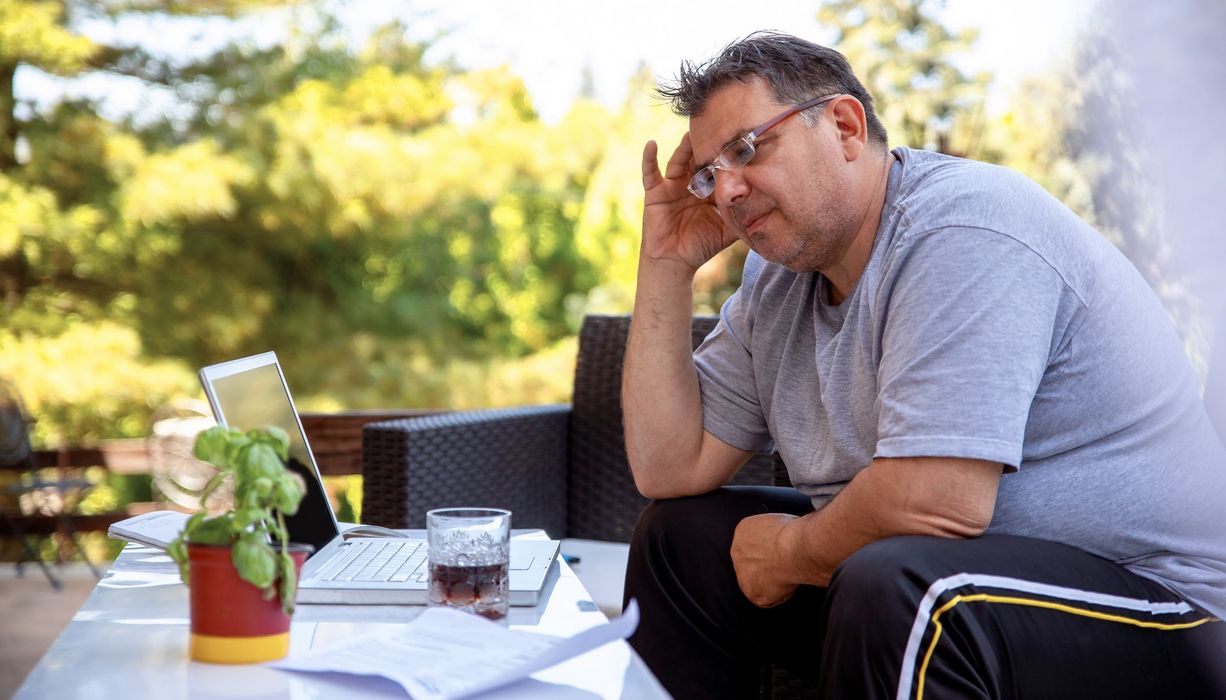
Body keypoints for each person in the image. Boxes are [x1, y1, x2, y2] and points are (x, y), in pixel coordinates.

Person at [621, 31, 1226, 699]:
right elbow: (668, 468)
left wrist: (791, 553)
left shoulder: (962, 230)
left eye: (745, 149)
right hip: (941, 587)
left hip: (1169, 614)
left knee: (902, 585)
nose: (727, 191)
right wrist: (666, 264)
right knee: (679, 541)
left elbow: (939, 502)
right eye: (709, 174)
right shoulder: (777, 282)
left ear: (846, 127)